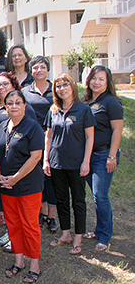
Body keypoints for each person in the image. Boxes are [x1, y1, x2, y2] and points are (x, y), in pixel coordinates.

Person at [0, 90, 44, 284]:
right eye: (10, 103)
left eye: (18, 102)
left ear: (24, 105)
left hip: (28, 185)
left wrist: (15, 178)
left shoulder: (33, 127)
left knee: (30, 226)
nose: (13, 106)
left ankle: (34, 265)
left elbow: (36, 156)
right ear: (5, 106)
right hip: (6, 185)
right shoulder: (2, 126)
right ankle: (19, 261)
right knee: (13, 224)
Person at [44, 74, 95, 256]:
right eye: (58, 86)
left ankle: (78, 238)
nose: (62, 88)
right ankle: (65, 234)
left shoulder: (83, 110)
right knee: (61, 200)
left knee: (78, 201)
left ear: (73, 87)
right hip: (57, 163)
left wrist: (86, 161)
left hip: (76, 164)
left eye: (66, 85)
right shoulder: (53, 110)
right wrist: (46, 160)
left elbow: (90, 137)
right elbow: (48, 136)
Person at [82, 66, 123, 252]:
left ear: (107, 82)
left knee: (100, 195)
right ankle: (99, 230)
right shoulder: (87, 101)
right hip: (88, 156)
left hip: (104, 155)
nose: (96, 82)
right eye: (94, 78)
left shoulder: (111, 102)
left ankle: (105, 236)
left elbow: (117, 130)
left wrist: (112, 155)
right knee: (96, 195)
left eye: (101, 79)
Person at [22, 56, 57, 233]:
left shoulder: (55, 89)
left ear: (47, 70)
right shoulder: (25, 91)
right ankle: (40, 214)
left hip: (53, 140)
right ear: (31, 71)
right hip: (33, 139)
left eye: (43, 67)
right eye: (35, 68)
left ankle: (51, 216)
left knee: (51, 178)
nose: (39, 70)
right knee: (37, 177)